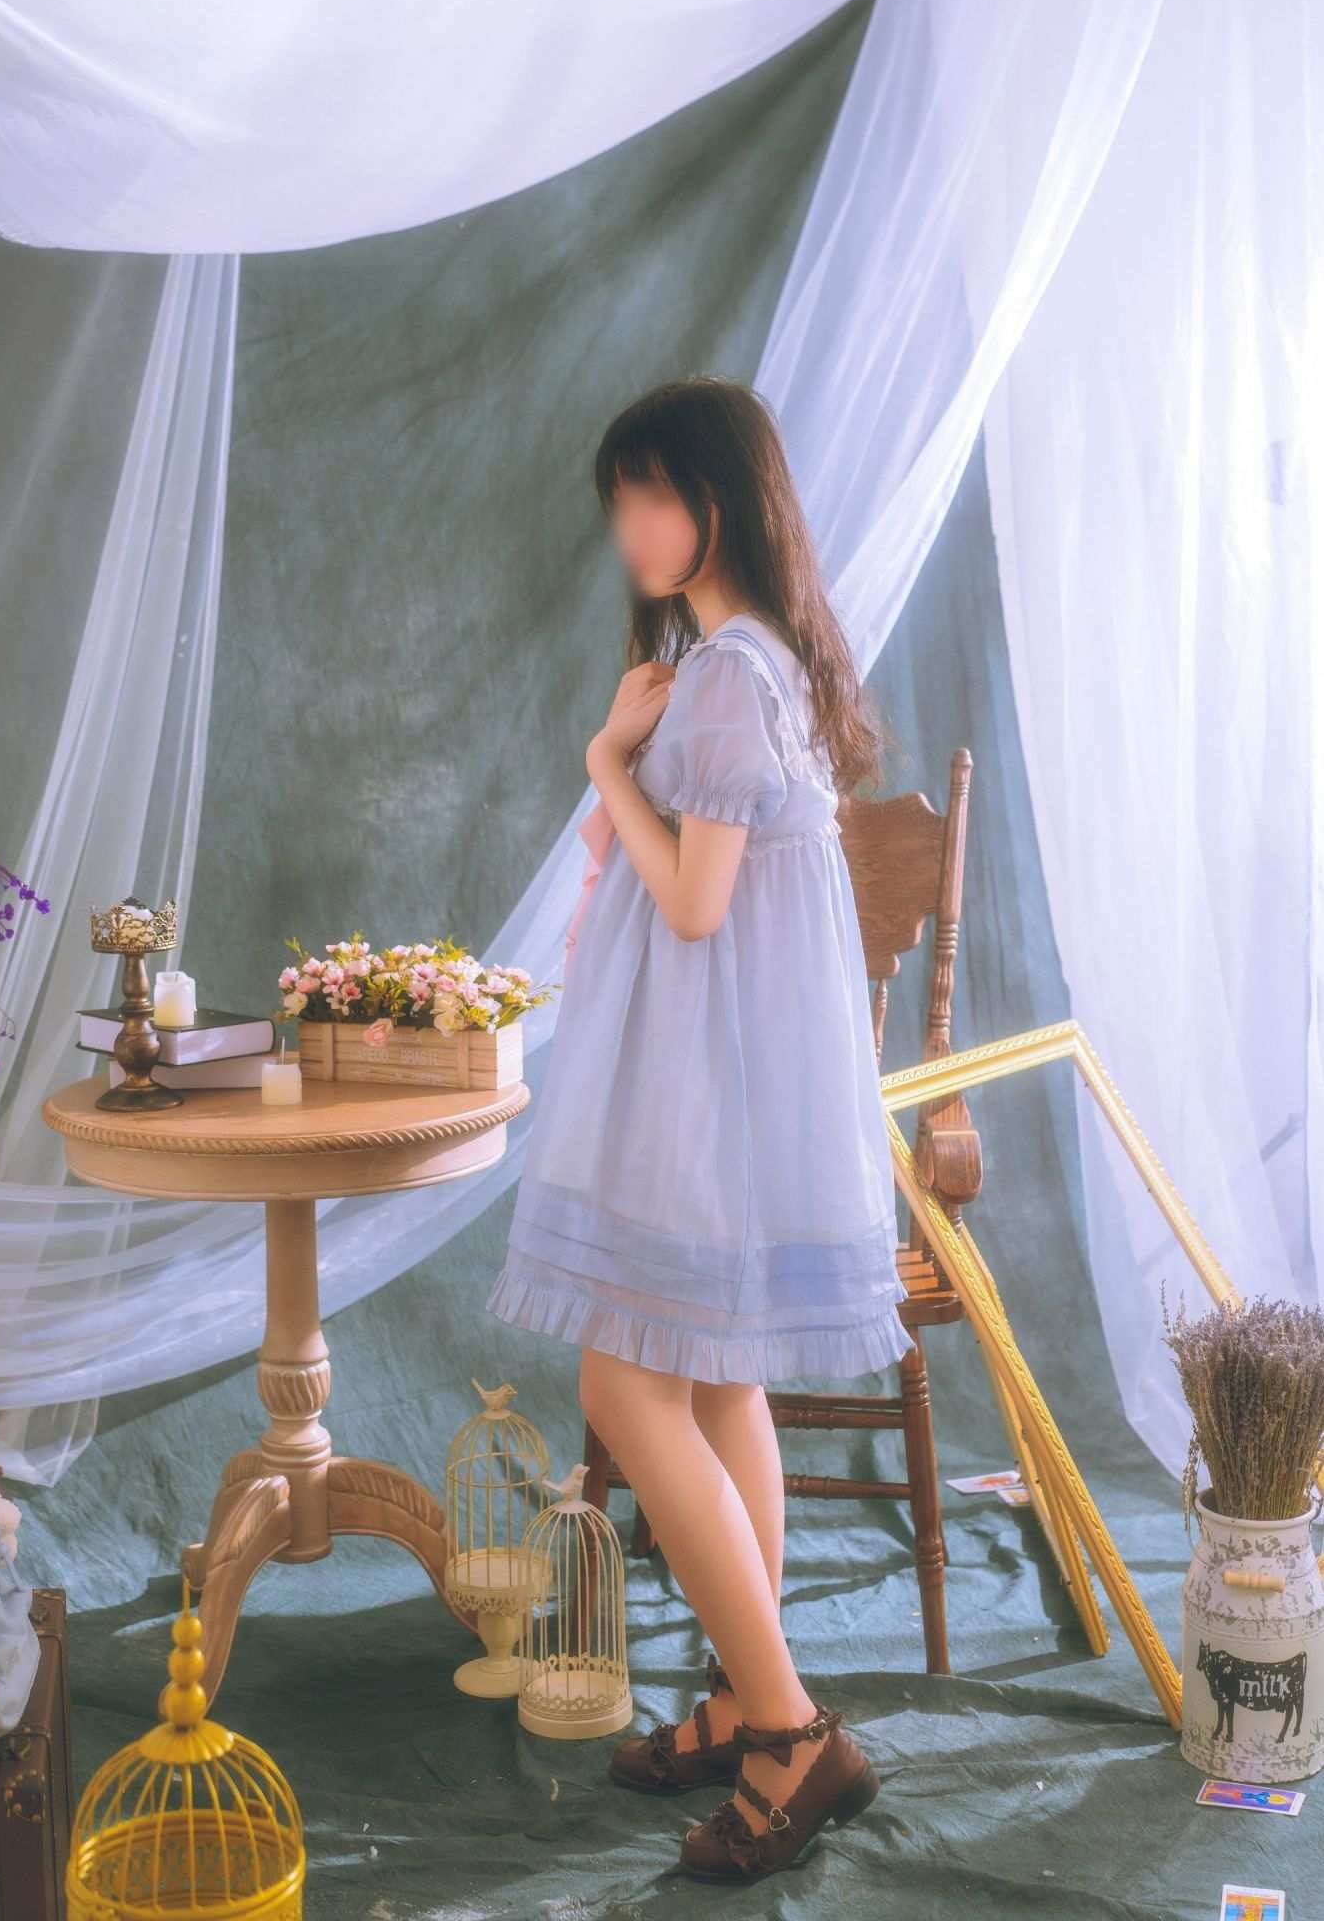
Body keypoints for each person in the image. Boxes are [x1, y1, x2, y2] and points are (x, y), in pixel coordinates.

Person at [485, 374, 915, 1883]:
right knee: (718, 1378)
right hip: (725, 1081)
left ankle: (790, 1732)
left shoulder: (727, 677)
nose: (631, 529)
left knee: (628, 1378)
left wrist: (608, 762)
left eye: (651, 495)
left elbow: (693, 903)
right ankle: (745, 1700)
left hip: (702, 1088)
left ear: (719, 500)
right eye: (621, 503)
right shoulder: (758, 662)